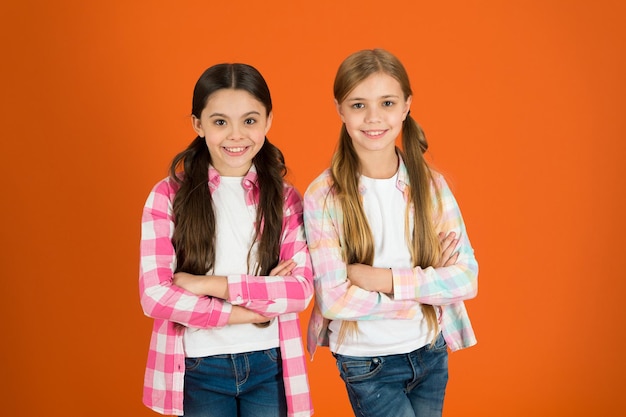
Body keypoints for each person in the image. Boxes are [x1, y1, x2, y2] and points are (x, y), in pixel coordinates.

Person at [304, 49, 479, 417]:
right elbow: (335, 301)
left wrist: (378, 279)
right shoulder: (323, 196)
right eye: (358, 105)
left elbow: (465, 279)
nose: (373, 118)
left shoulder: (430, 185)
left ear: (406, 106)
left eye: (387, 102)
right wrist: (426, 290)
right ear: (339, 109)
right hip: (367, 363)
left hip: (429, 351)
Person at [139, 63, 314, 417]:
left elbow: (299, 291)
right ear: (198, 124)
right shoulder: (167, 197)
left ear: (268, 121)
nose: (236, 135)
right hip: (198, 367)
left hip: (270, 365)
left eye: (249, 121)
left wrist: (204, 284)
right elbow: (154, 296)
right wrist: (250, 308)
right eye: (220, 122)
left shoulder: (286, 199)